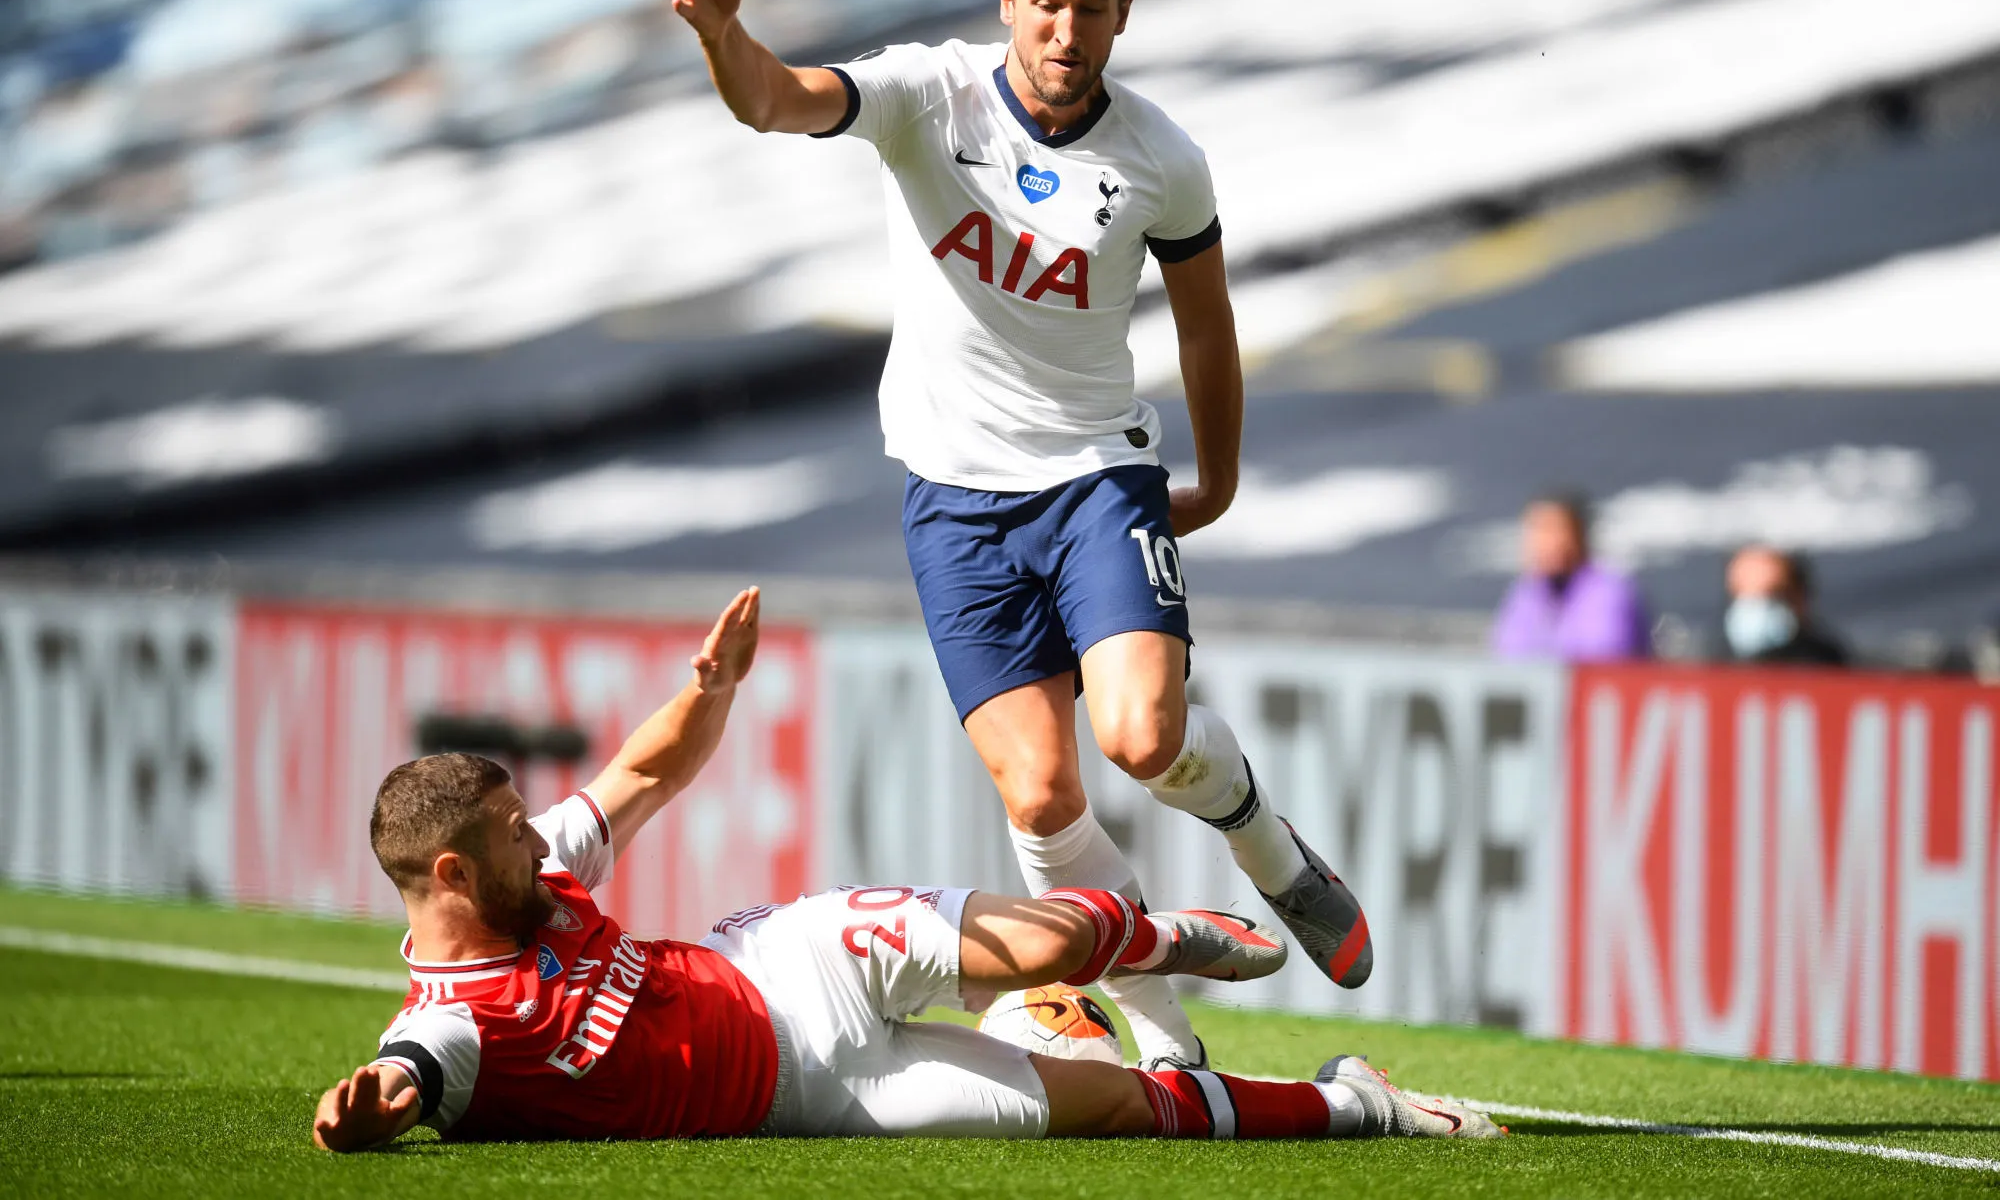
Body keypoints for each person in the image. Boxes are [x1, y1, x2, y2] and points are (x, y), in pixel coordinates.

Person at [670, 0, 1369, 1070]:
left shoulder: (1160, 158)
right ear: (1005, 1)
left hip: (1095, 472)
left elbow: (1205, 326)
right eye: (1044, 2)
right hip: (952, 496)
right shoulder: (925, 95)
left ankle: (1266, 847)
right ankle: (1165, 1032)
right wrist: (720, 34)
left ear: (1123, 14)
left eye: (1090, 7)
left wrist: (1218, 479)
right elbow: (775, 100)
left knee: (1139, 736)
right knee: (1041, 798)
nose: (1064, 29)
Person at [310, 588, 1500, 1149]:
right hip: (809, 1098)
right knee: (1118, 1110)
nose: (541, 836)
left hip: (785, 961)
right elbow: (403, 1074)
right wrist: (357, 1111)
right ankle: (1361, 1105)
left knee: (1047, 938)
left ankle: (1144, 940)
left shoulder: (539, 880)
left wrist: (709, 689)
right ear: (453, 873)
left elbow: (641, 772)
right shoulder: (453, 1021)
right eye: (513, 830)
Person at [1490, 492, 1651, 661]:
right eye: (1536, 530)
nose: (1544, 542)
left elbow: (1604, 658)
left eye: (1553, 530)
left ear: (1579, 535)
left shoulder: (1611, 592)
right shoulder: (1525, 594)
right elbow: (1507, 654)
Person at [1723, 545, 1849, 667]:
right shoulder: (1718, 662)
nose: (1754, 604)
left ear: (1800, 598)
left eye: (1773, 593)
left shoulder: (1828, 667)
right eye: (1742, 593)